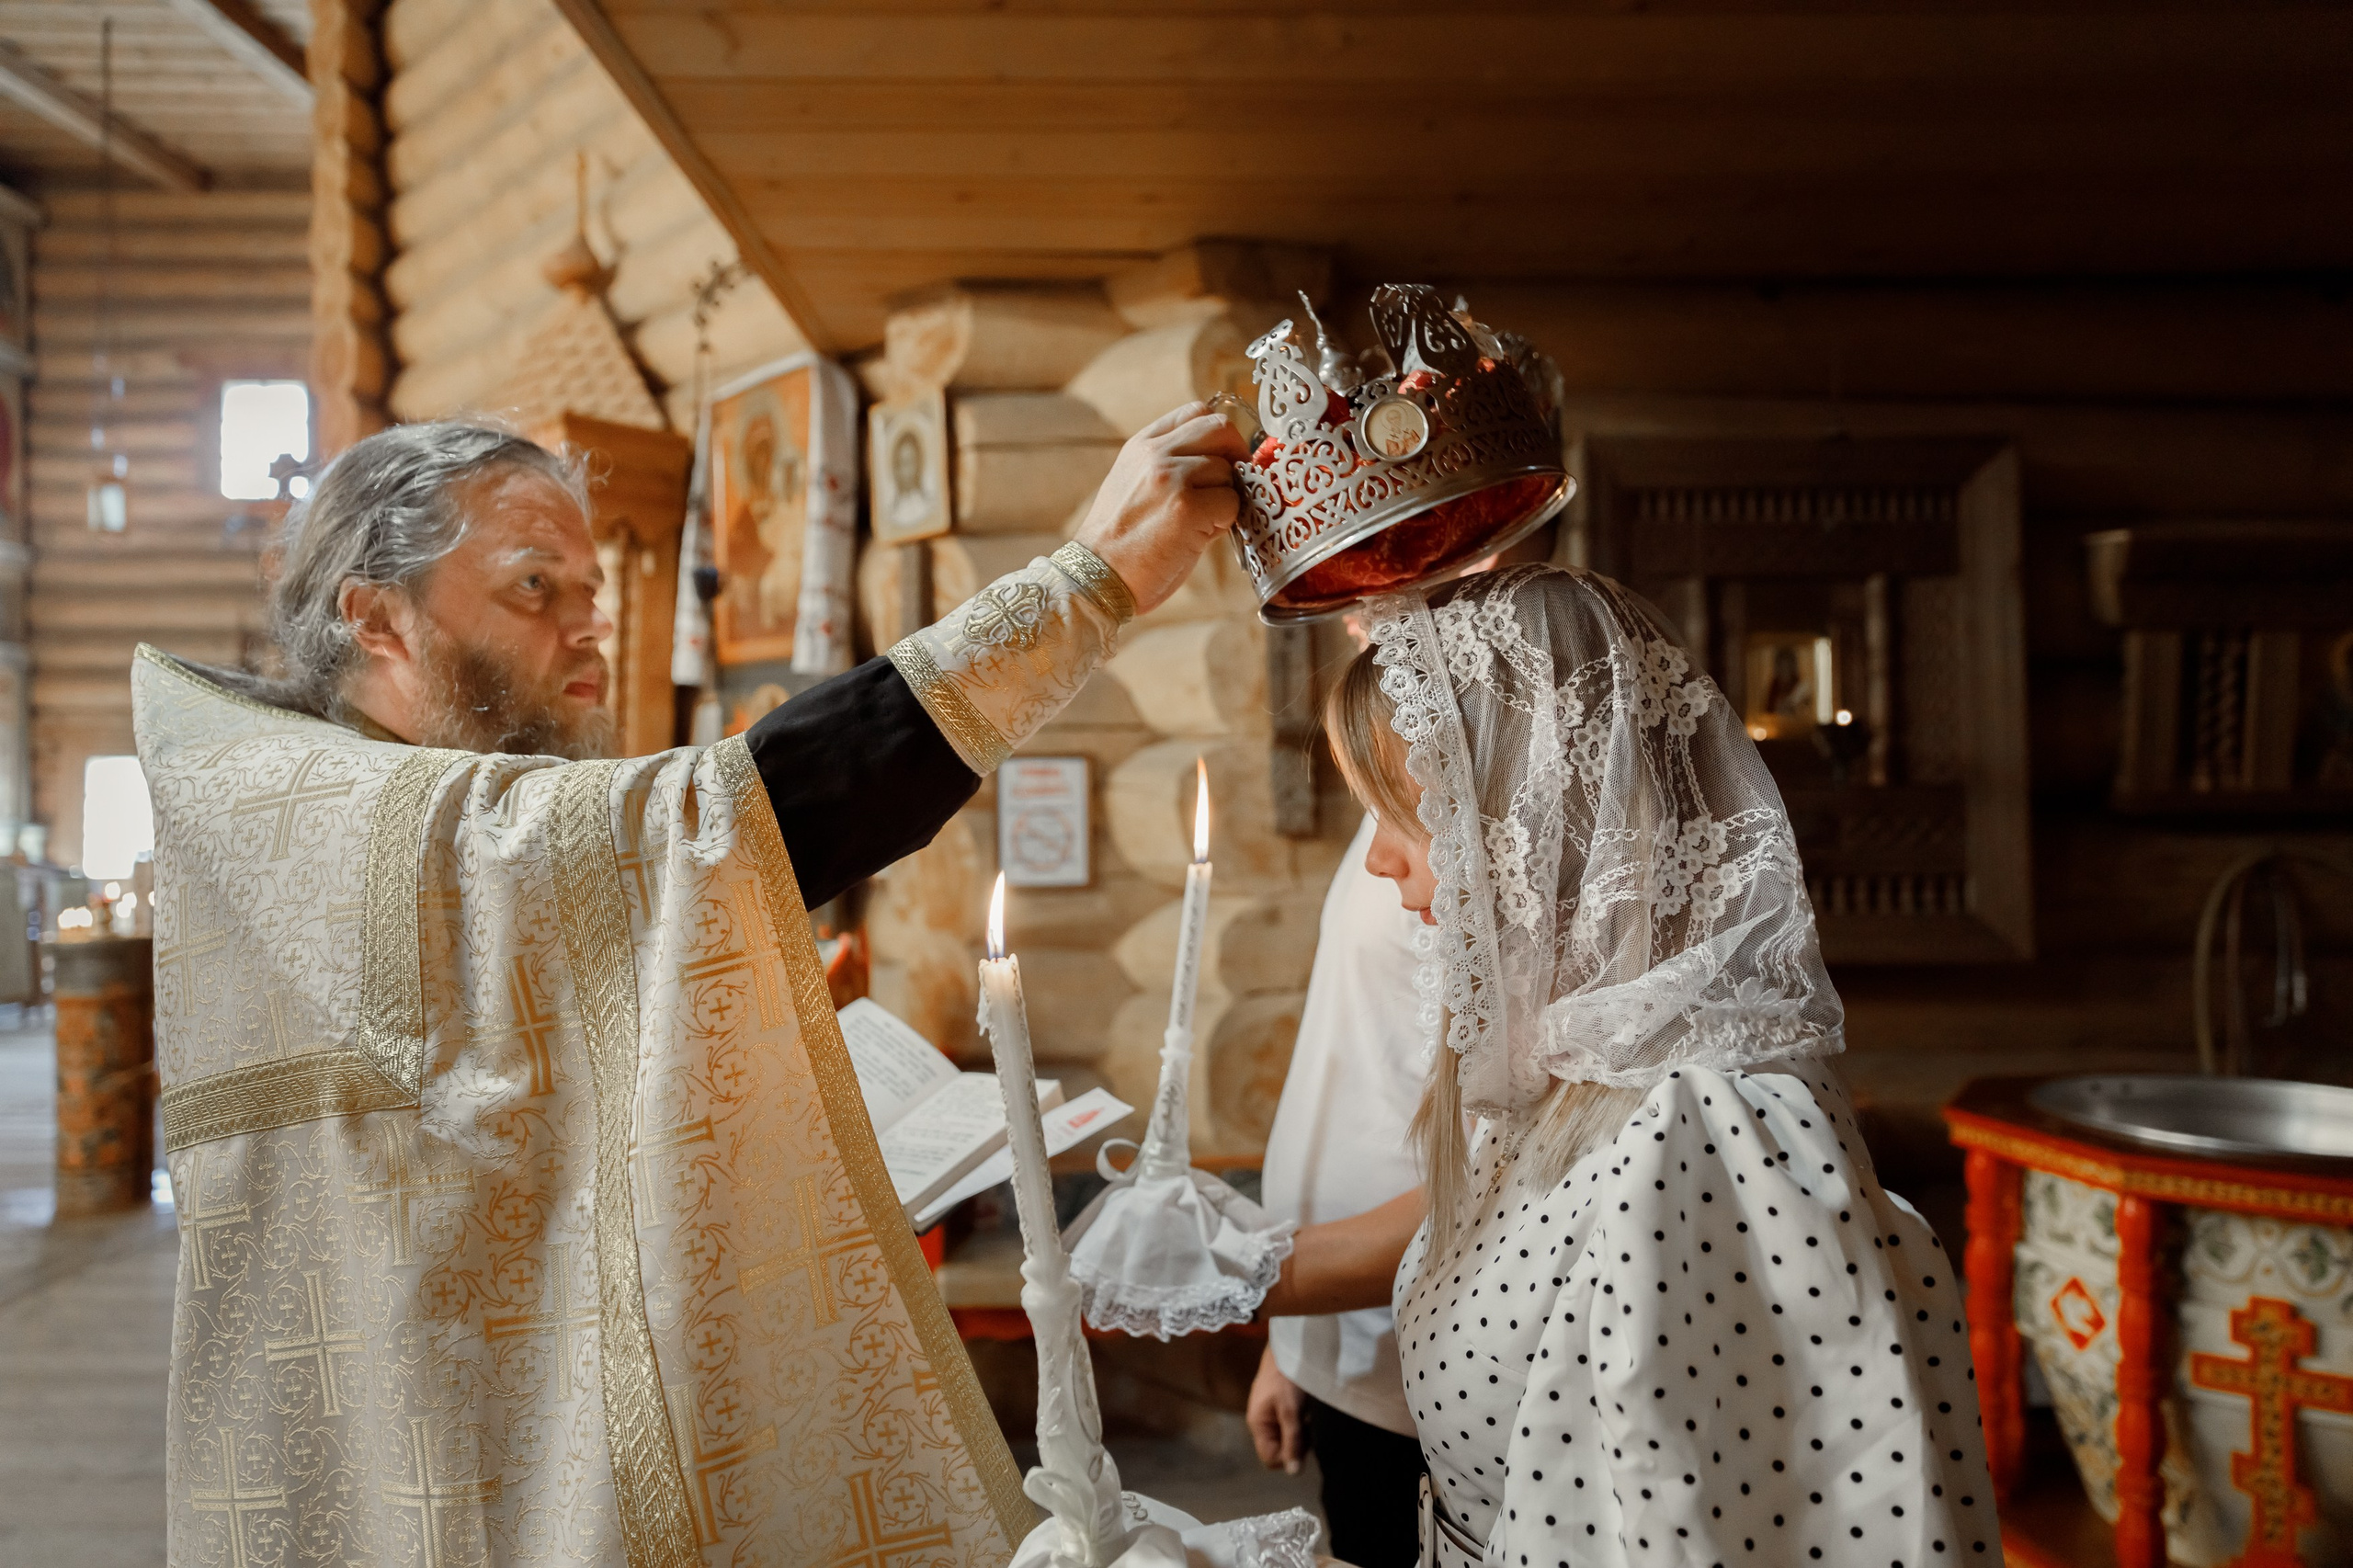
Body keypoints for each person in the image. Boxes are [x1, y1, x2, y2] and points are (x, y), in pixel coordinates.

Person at [139, 405, 1245, 1568]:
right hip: (413, 1456)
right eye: (533, 587)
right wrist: (1089, 580)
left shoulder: (415, 801)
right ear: (375, 615)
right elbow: (739, 813)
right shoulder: (332, 814)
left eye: (590, 586)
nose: (591, 627)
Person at [1312, 564, 2000, 1567]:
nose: (1379, 861)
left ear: (1534, 823)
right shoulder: (1562, 1080)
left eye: (1403, 814)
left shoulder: (1715, 1141)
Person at [1245, 818, 1428, 1562]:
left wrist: (1250, 1282)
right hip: (1337, 1327)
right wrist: (1289, 1344)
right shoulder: (1397, 800)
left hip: (1428, 1358)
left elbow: (1507, 1184)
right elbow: (1354, 1040)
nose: (1380, 851)